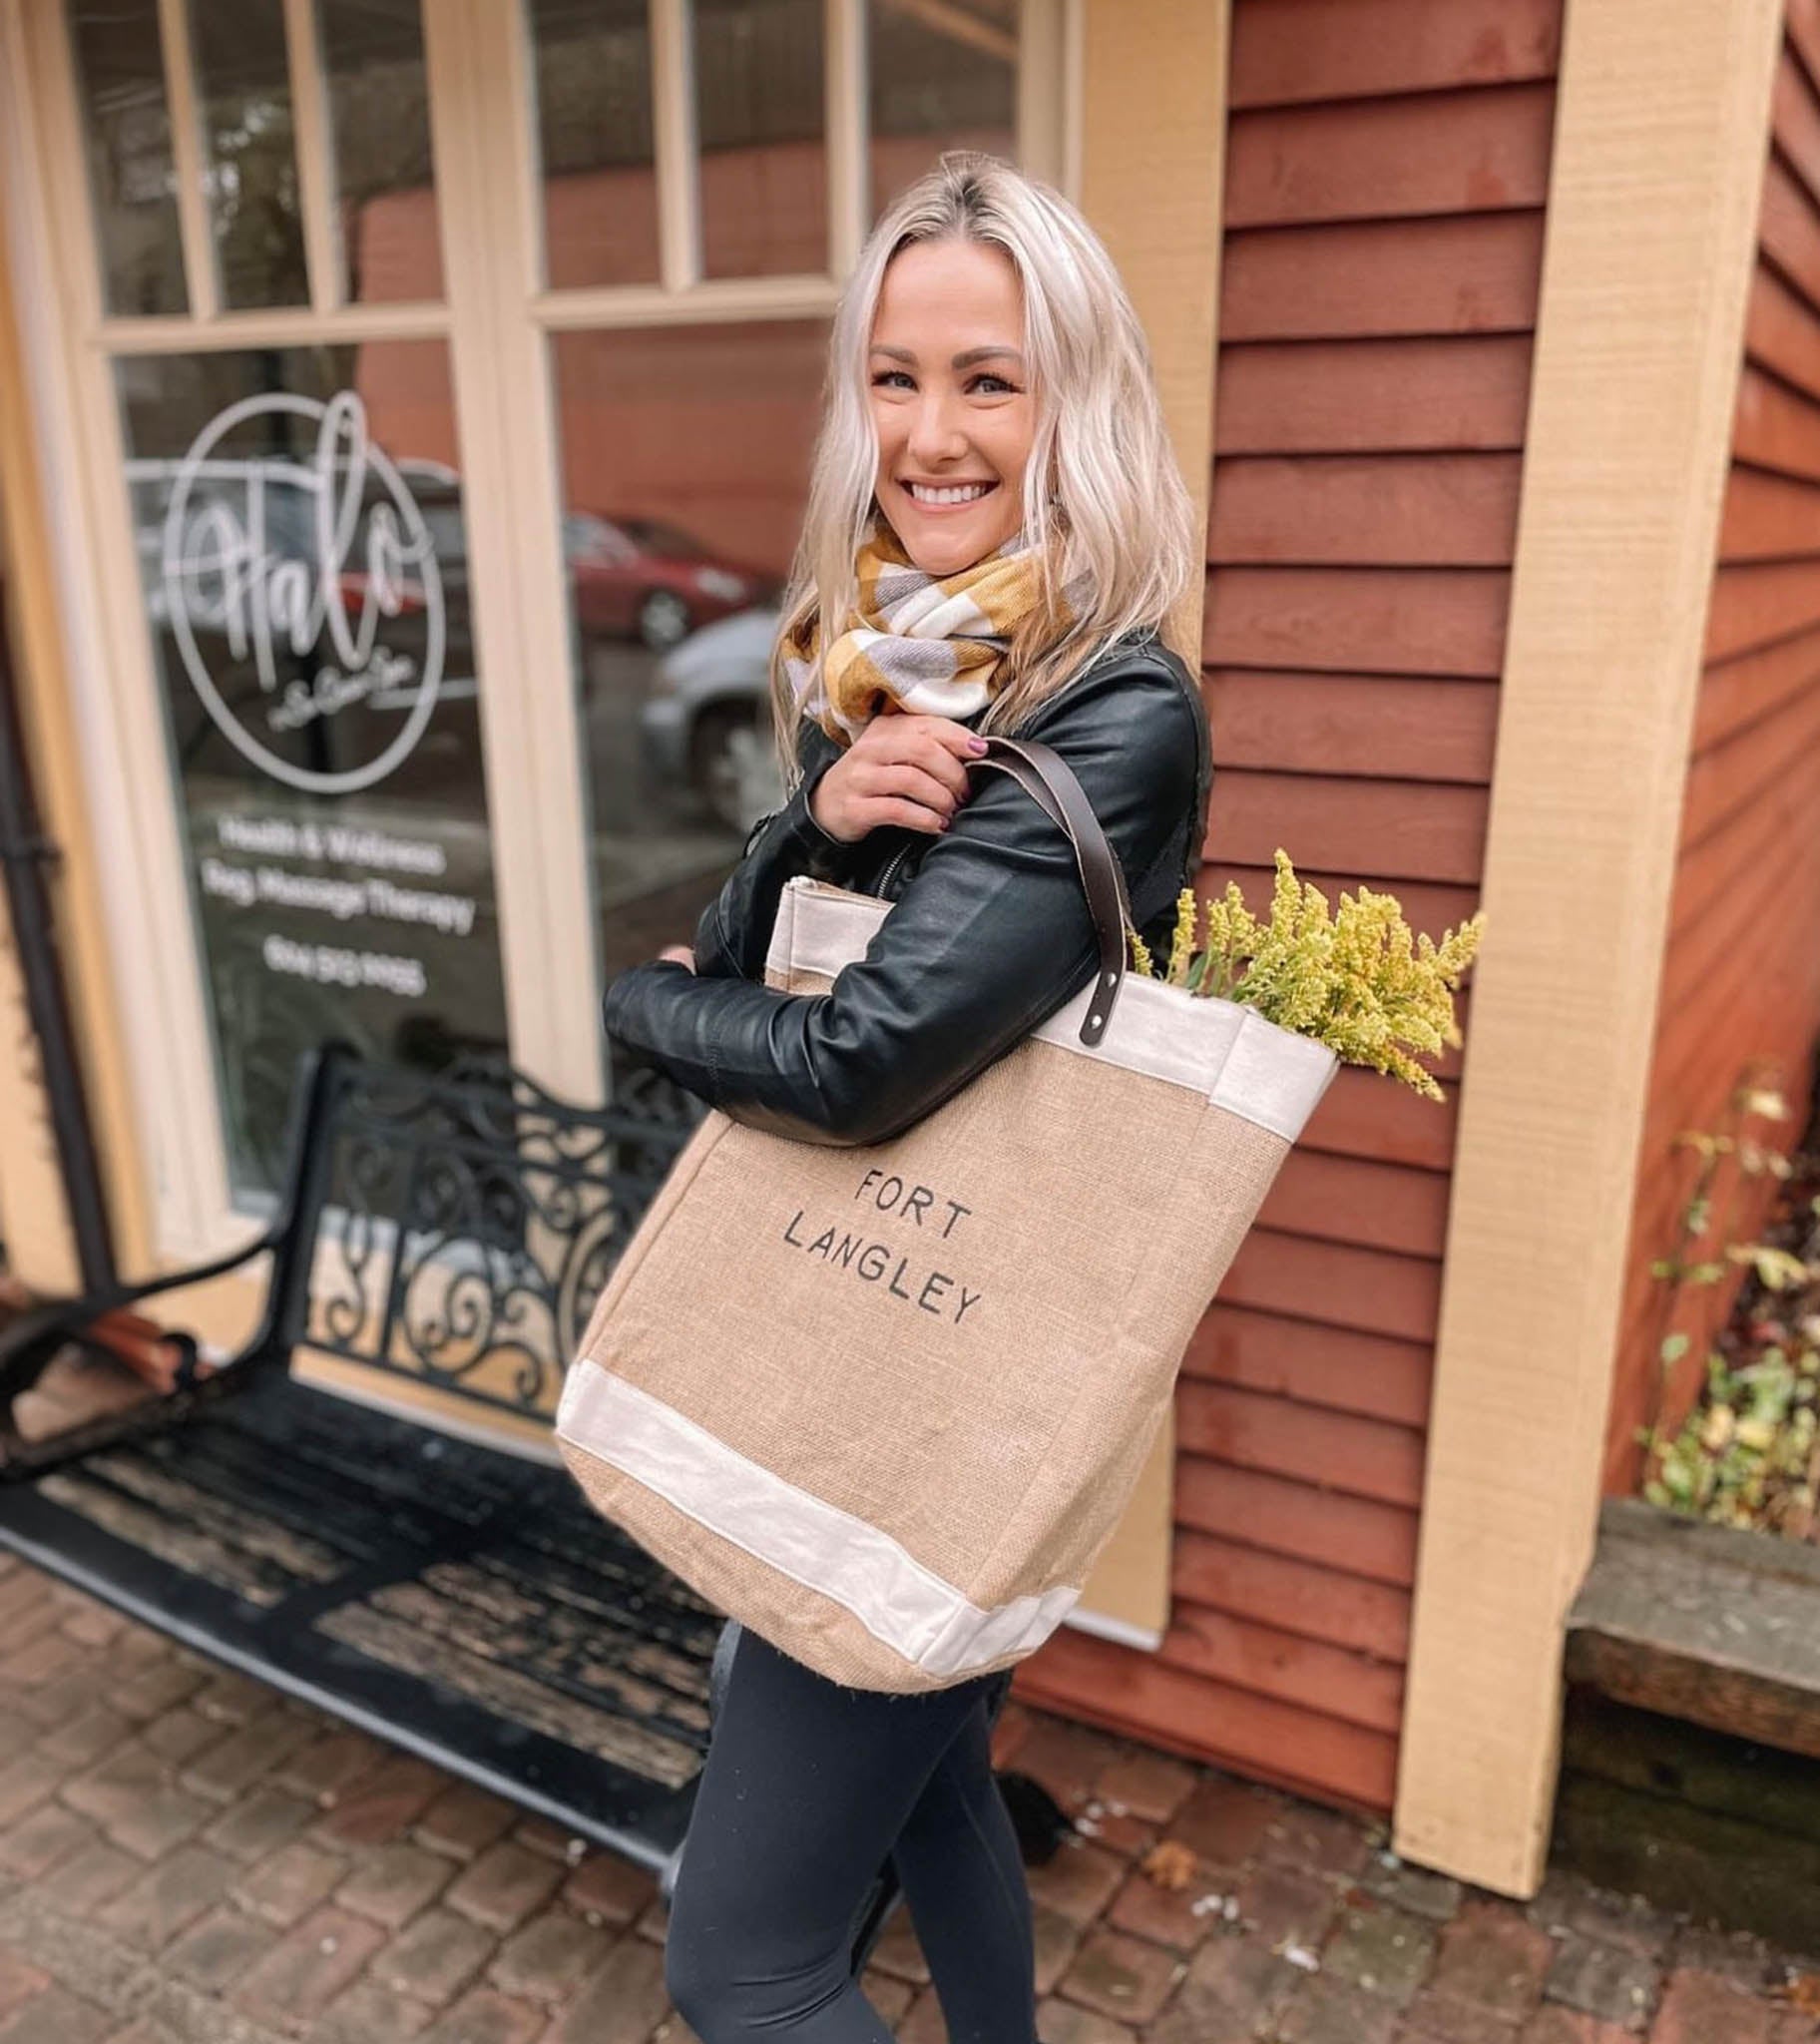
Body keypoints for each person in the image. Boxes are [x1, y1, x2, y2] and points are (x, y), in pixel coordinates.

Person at [600, 150, 1210, 2044]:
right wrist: (813, 816)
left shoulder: (1109, 712)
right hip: (845, 1341)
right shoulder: (871, 662)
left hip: (929, 1394)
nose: (931, 435)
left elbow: (853, 1064)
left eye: (990, 381)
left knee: (748, 1964)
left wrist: (640, 1006)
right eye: (895, 376)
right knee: (936, 1781)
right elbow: (760, 939)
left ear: (1074, 406)